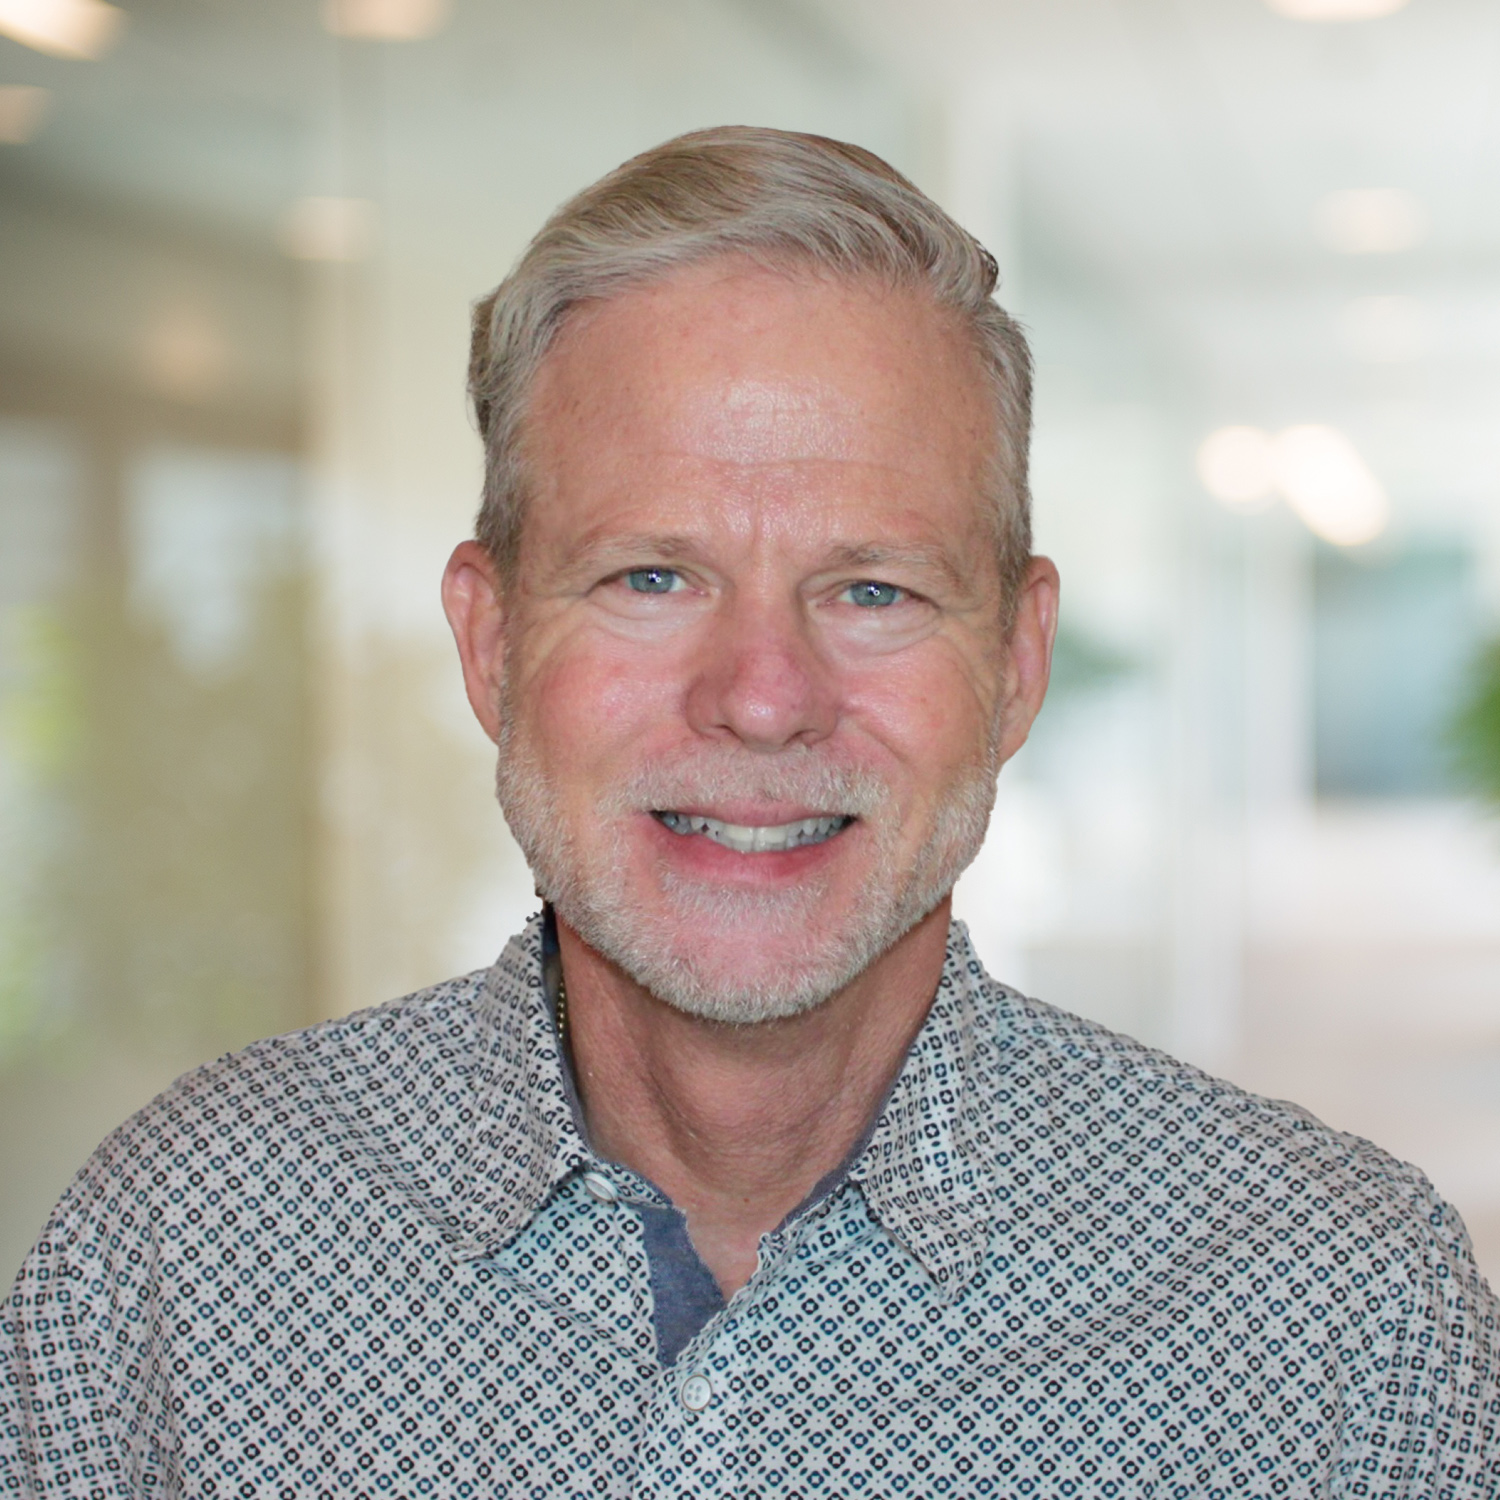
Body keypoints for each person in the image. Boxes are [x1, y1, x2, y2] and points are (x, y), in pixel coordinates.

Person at [2, 126, 1495, 1497]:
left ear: (1017, 664)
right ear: (494, 642)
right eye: (652, 576)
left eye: (873, 588)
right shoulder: (183, 1255)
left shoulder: (1339, 1325)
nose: (766, 696)